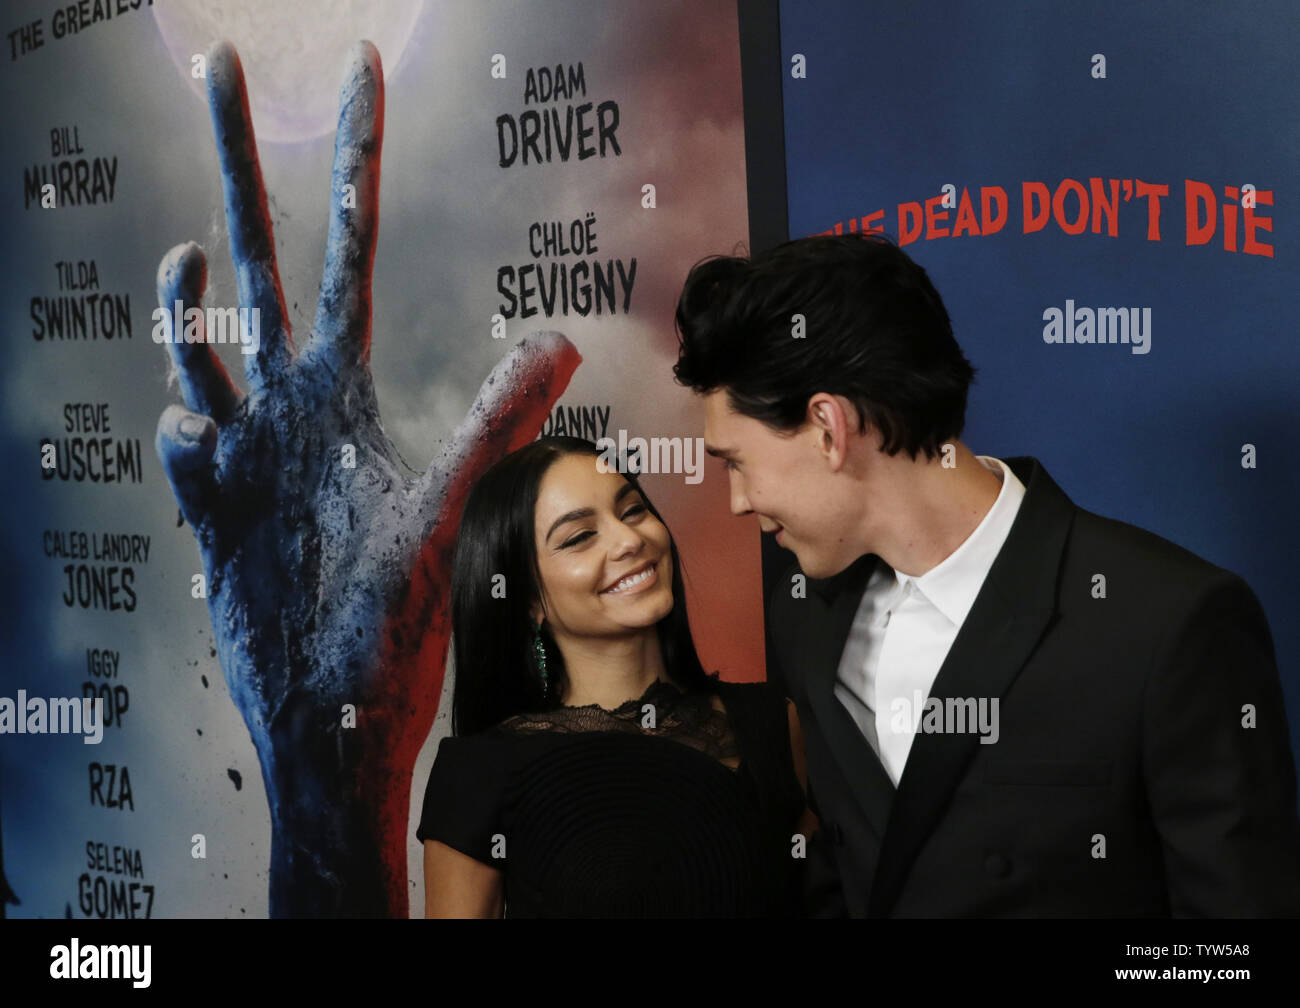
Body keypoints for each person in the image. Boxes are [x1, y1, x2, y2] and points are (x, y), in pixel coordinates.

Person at [672, 231, 1300, 917]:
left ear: (829, 427)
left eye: (735, 461)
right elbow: (841, 876)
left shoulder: (1166, 623)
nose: (736, 501)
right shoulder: (805, 614)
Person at [417, 436, 814, 917]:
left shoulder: (776, 722)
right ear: (527, 600)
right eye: (580, 537)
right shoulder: (477, 773)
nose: (630, 540)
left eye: (631, 511)